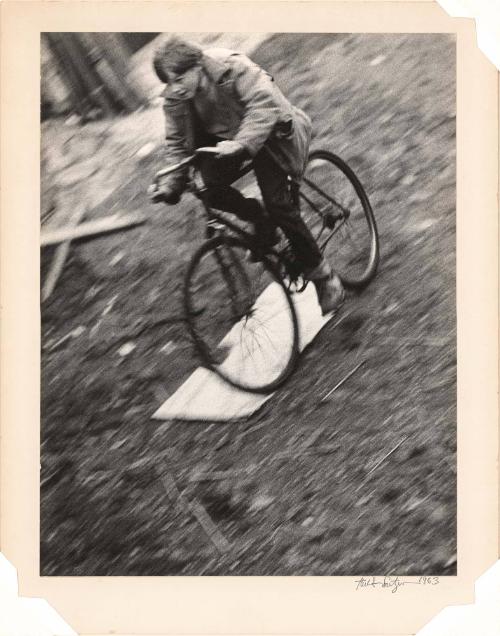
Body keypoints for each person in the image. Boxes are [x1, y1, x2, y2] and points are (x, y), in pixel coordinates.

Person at [149, 35, 344, 314]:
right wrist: (170, 185)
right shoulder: (177, 96)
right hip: (226, 143)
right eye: (168, 83)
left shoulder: (230, 67)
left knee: (279, 204)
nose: (174, 89)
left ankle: (325, 277)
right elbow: (178, 144)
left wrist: (242, 144)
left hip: (269, 135)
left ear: (195, 65)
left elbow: (263, 104)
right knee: (209, 189)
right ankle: (259, 217)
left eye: (178, 80)